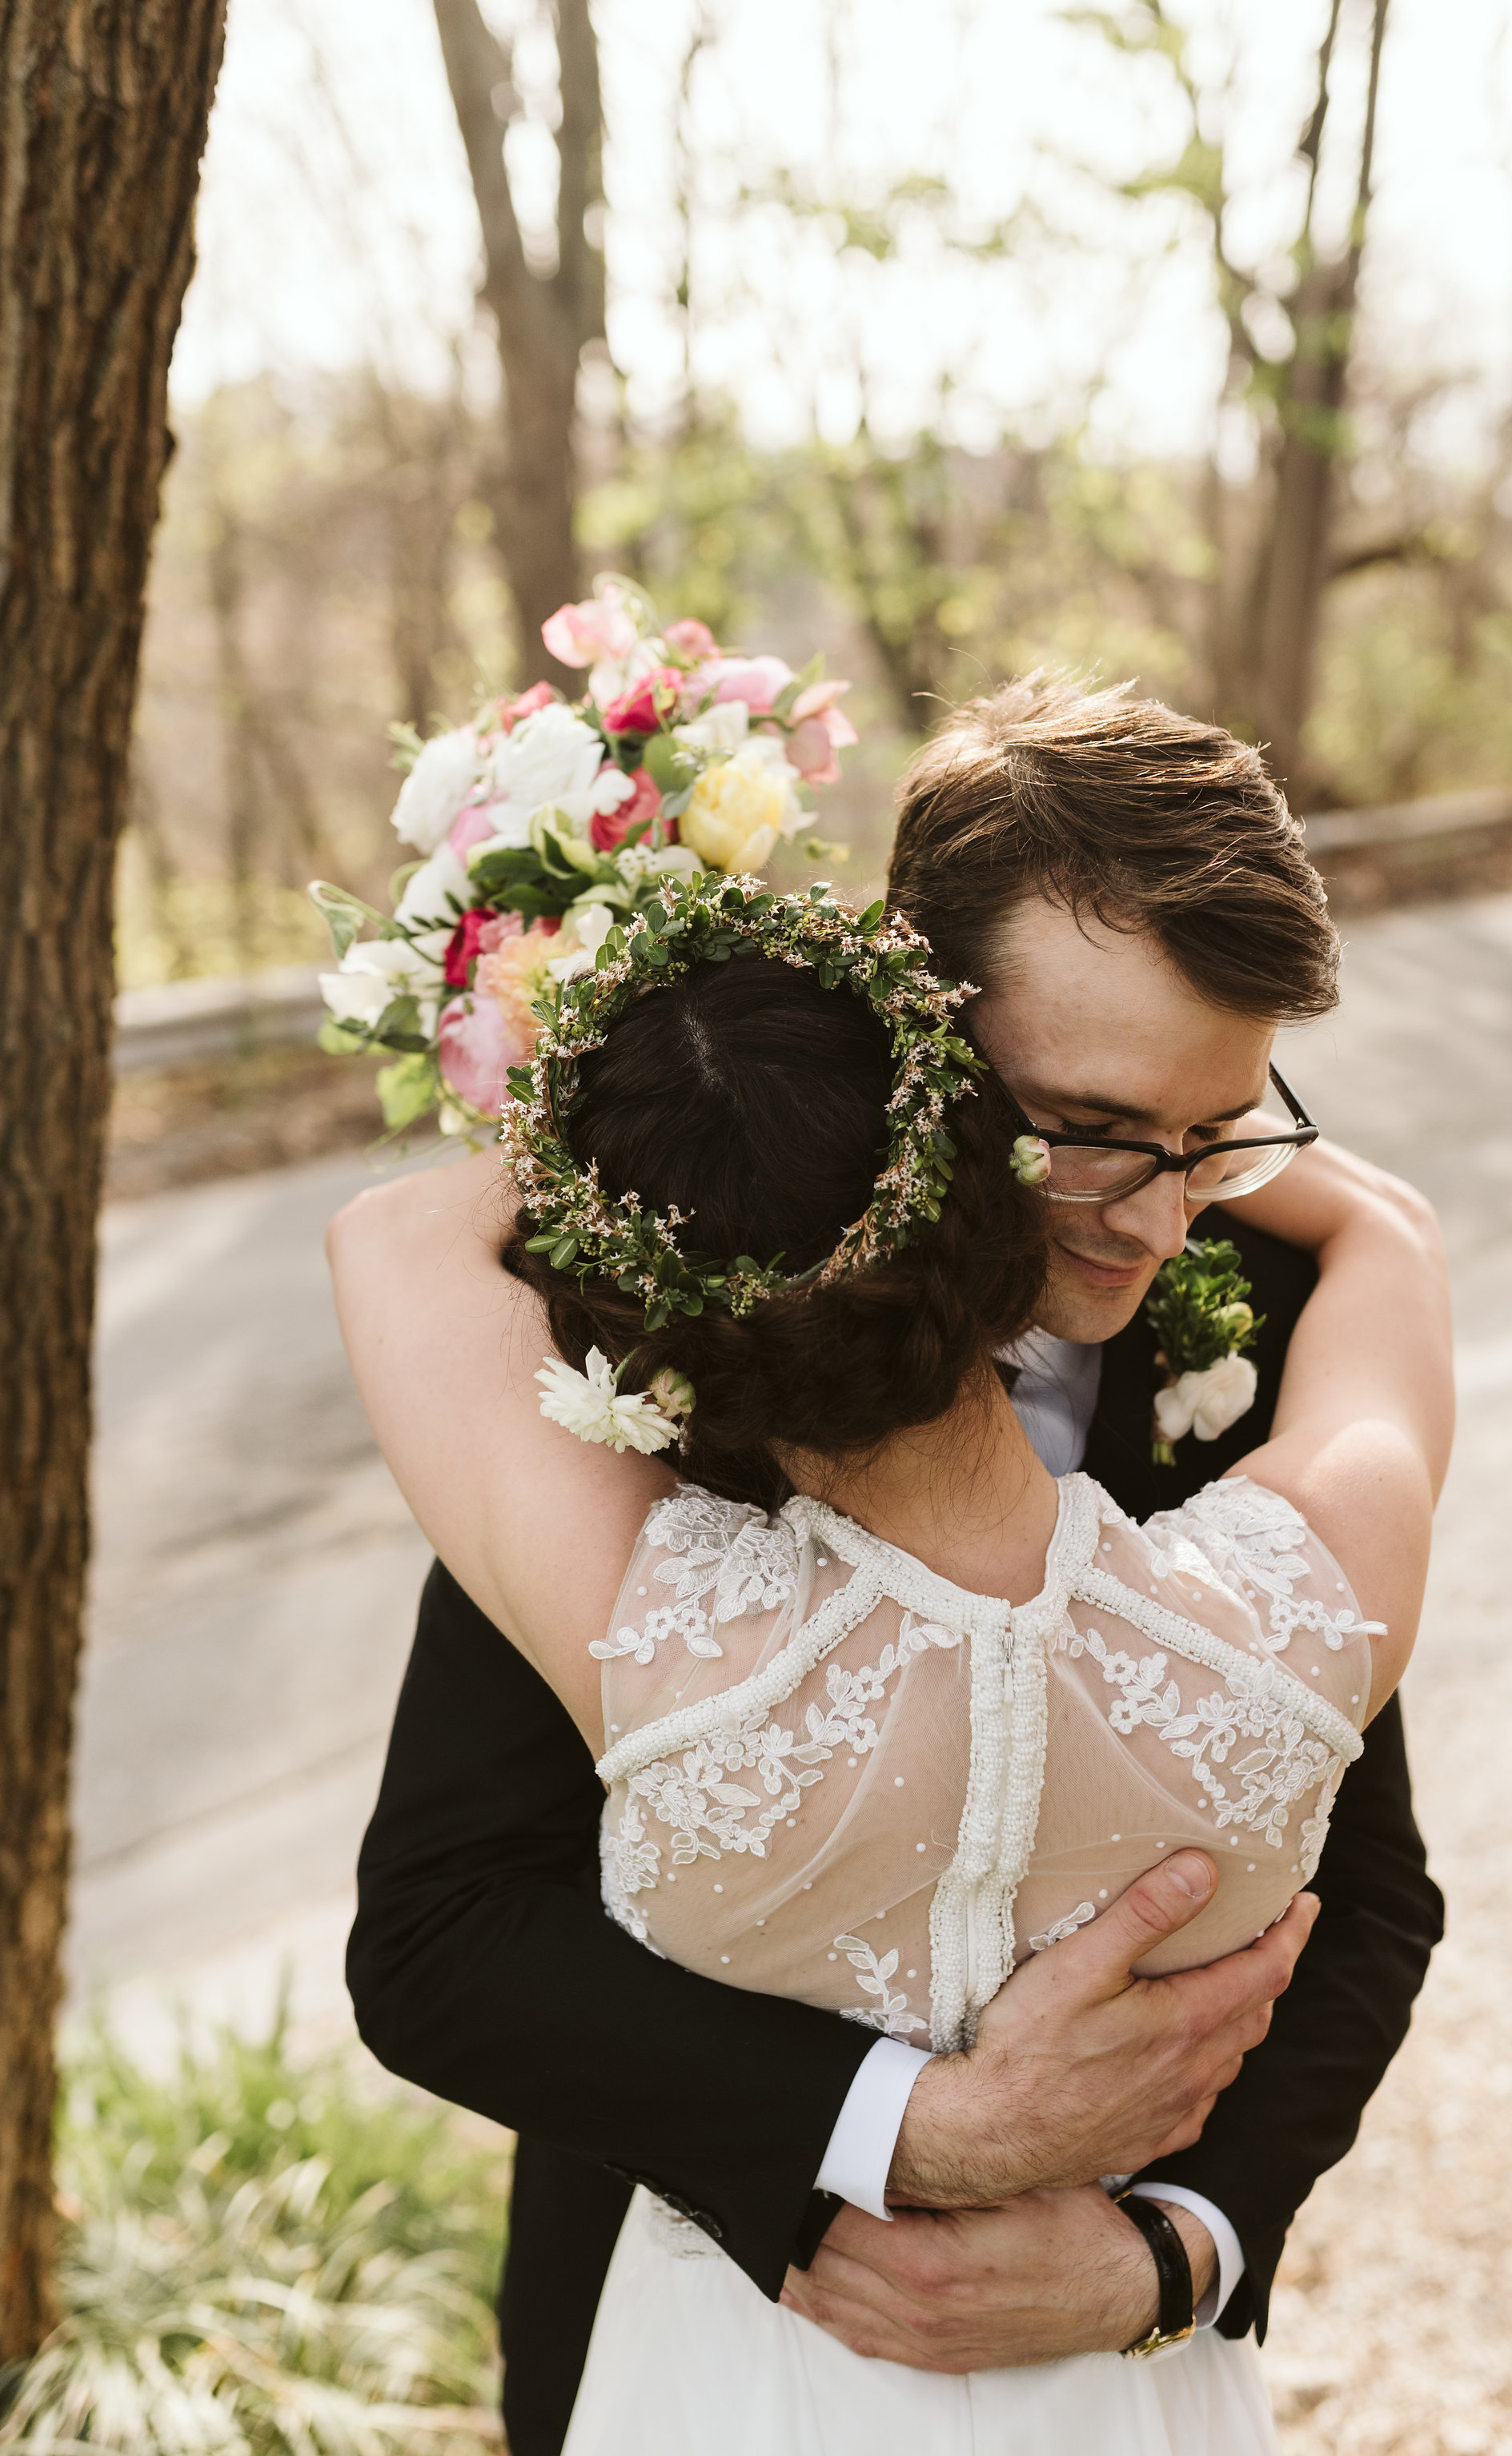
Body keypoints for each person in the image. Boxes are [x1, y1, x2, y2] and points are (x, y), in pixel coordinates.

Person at [333, 682, 1449, 2447]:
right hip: (709, 2326)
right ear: (909, 1035)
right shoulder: (640, 1347)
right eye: (1088, 1126)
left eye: (1220, 1131)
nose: (1160, 1222)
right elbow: (444, 1932)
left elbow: (1365, 1889)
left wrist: (1176, 2248)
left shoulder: (1277, 1326)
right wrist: (901, 2133)